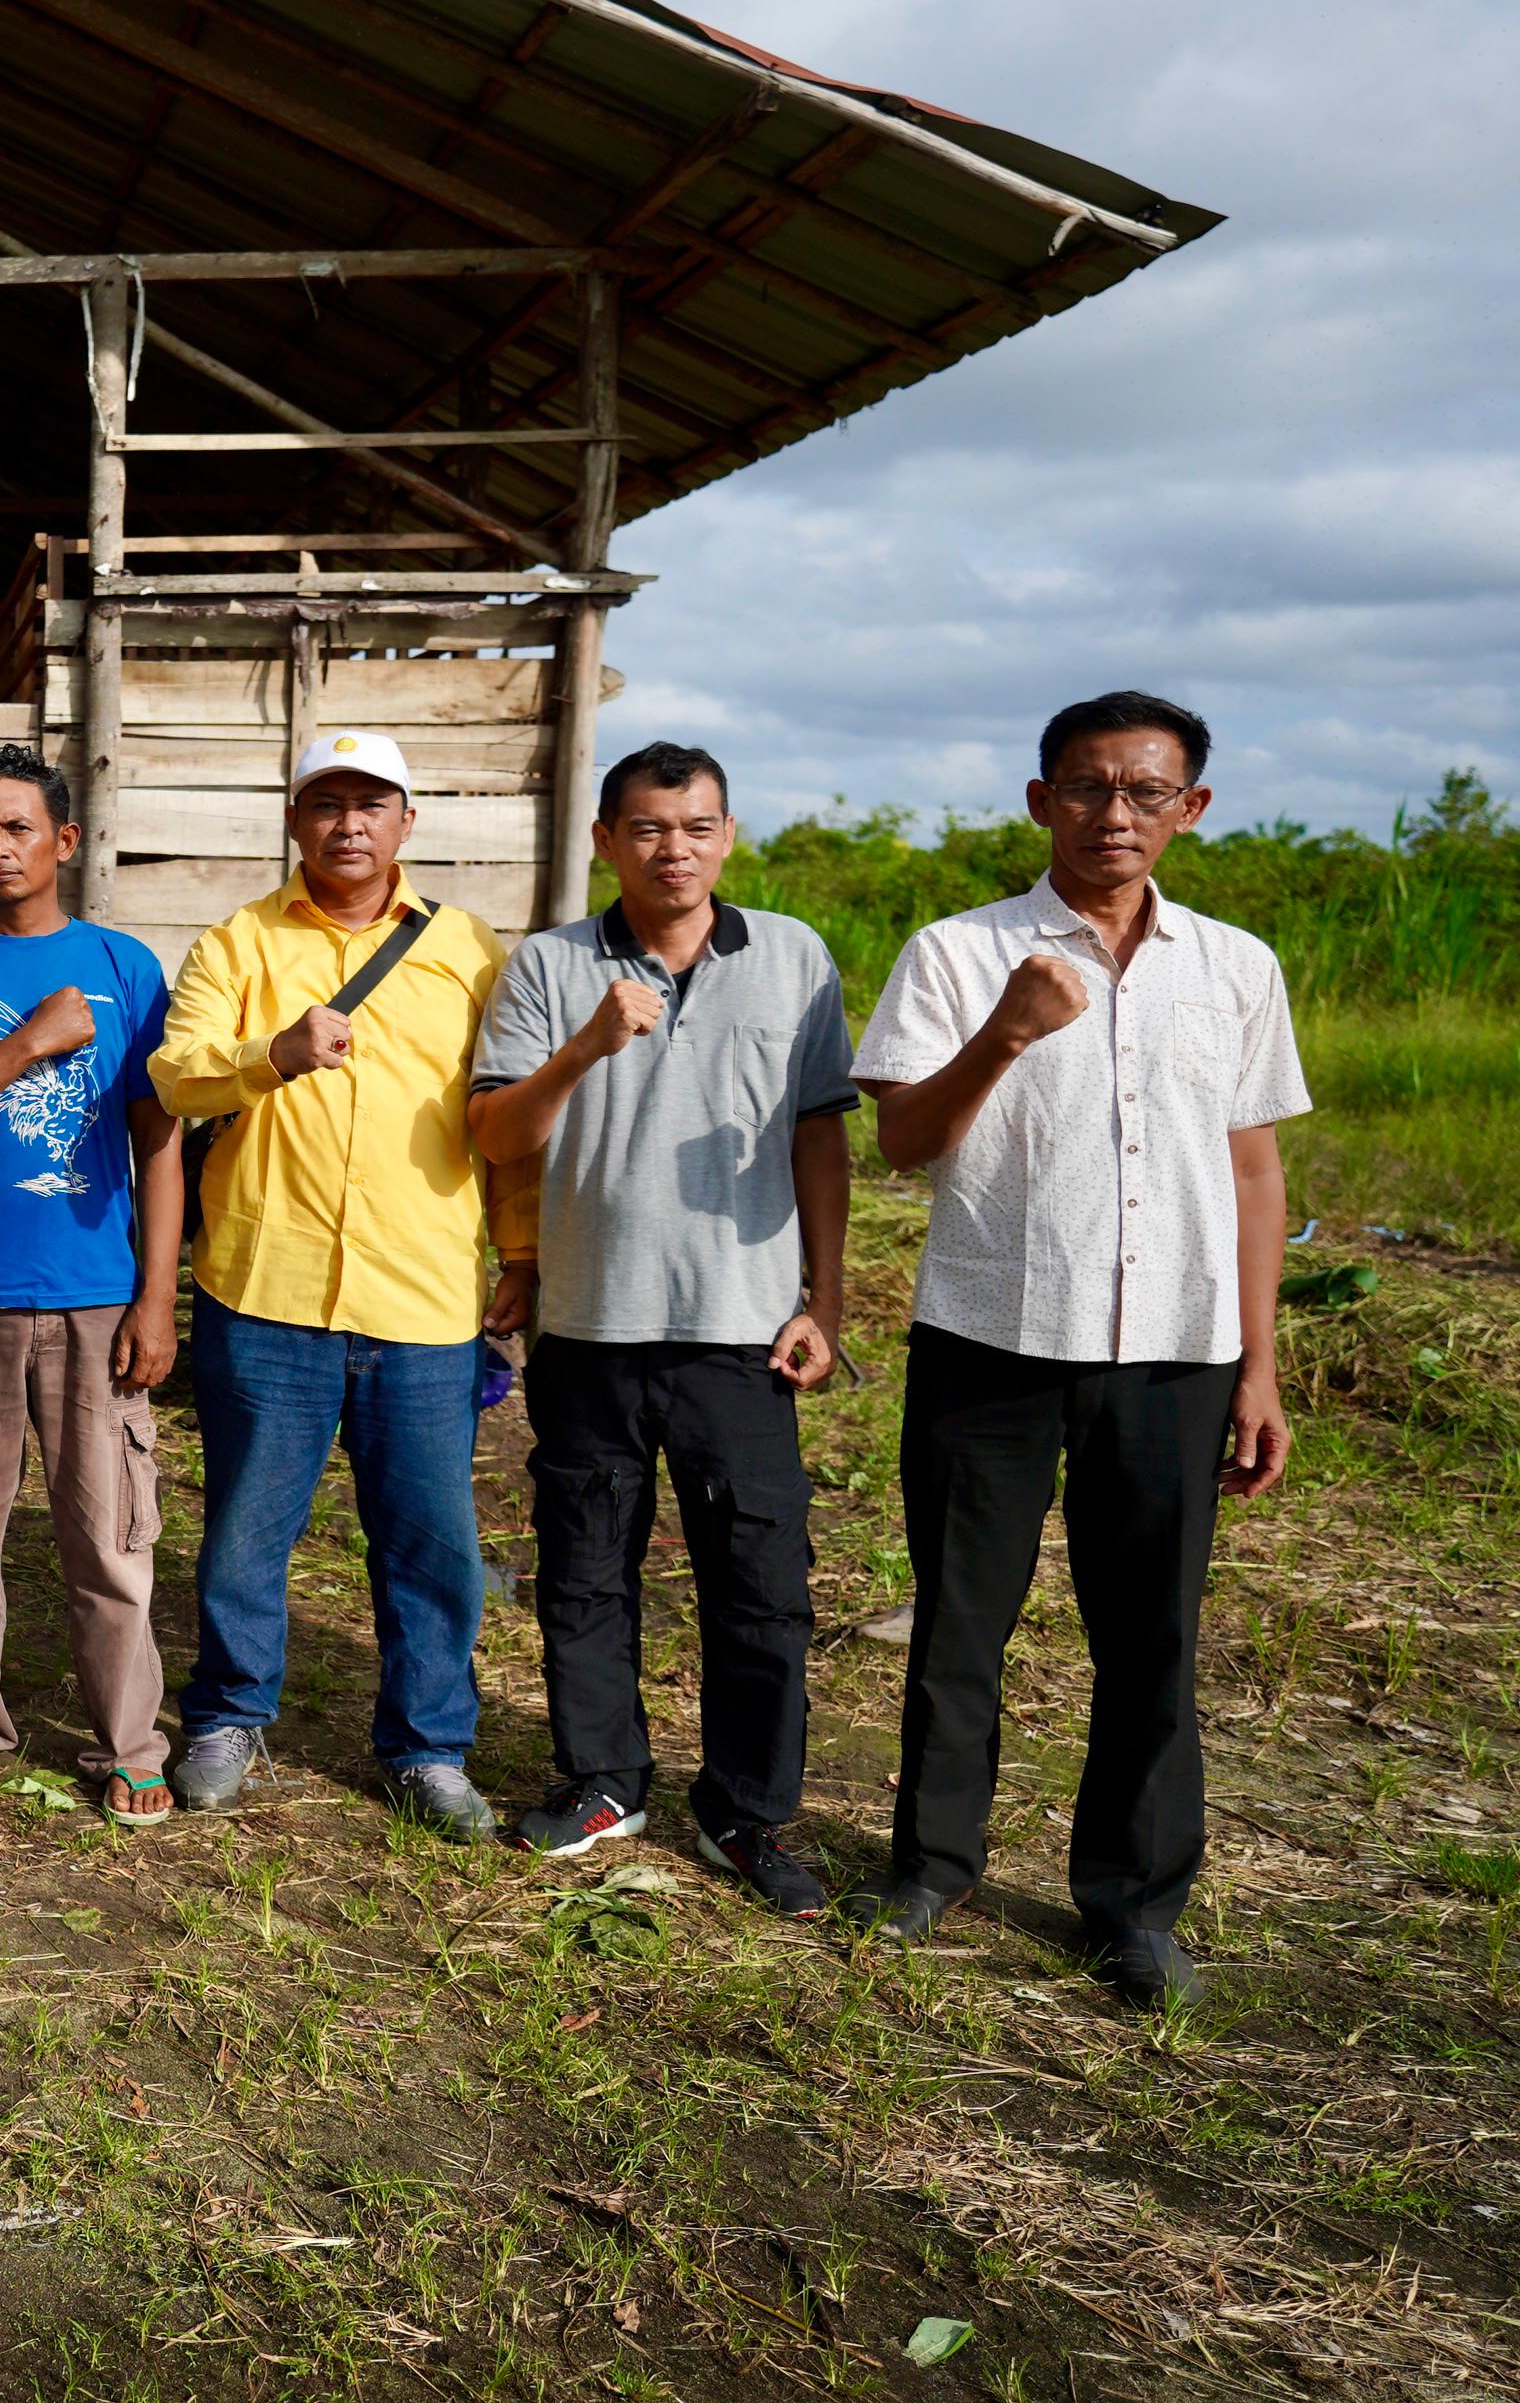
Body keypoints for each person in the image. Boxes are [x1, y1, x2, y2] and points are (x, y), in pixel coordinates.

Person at [848, 691, 1302, 2010]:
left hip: (1176, 1350)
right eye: (1089, 788)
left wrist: (1257, 1364)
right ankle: (932, 1872)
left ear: (1190, 811)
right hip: (992, 1339)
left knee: (1150, 1634)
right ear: (1040, 799)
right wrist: (1008, 1028)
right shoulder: (957, 953)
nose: (1116, 815)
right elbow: (902, 1142)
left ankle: (1136, 1905)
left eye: (1145, 792)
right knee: (960, 1626)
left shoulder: (1234, 969)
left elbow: (1255, 1166)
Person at [467, 743, 852, 1916]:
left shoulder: (792, 957)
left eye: (694, 826)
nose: (670, 847)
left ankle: (744, 1811)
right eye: (645, 827)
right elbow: (497, 1135)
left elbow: (821, 1136)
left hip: (744, 1331)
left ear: (727, 835)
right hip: (591, 1323)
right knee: (585, 1570)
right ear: (604, 840)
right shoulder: (550, 964)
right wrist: (587, 1043)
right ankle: (602, 1779)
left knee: (760, 1582)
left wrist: (823, 1300)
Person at [147, 730, 533, 1839]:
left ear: (408, 821)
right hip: (267, 1288)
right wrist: (271, 1052)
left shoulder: (467, 950)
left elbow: (499, 1120)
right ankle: (227, 1713)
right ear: (295, 819)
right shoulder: (240, 941)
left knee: (429, 1536)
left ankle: (427, 1744)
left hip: (421, 1296)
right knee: (246, 1530)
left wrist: (522, 1249)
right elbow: (175, 1076)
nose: (349, 822)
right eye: (327, 802)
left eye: (372, 803)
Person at [0, 747, 186, 1824]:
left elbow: (158, 1137)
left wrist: (158, 1295)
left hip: (97, 1291)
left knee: (109, 1532)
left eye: (18, 826)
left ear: (62, 838)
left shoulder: (125, 964)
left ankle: (130, 1737)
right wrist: (30, 1042)